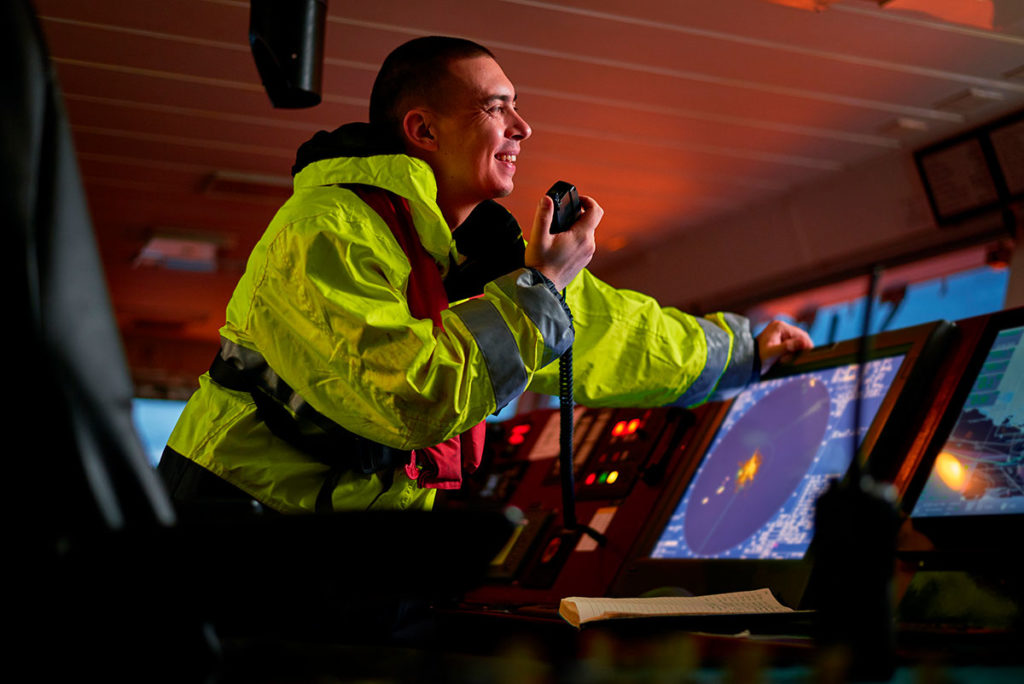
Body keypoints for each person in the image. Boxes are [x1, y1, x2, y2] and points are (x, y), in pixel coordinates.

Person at [157, 36, 812, 516]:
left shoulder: (483, 256)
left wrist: (747, 350)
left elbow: (620, 335)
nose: (523, 127)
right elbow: (412, 398)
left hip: (352, 543)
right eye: (498, 108)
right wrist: (538, 295)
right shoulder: (326, 227)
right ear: (423, 130)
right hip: (235, 528)